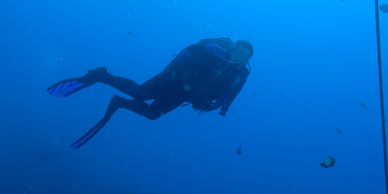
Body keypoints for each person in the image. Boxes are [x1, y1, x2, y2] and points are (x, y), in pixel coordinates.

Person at [47, 37, 253, 148]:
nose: (241, 56)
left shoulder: (239, 76)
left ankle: (119, 102)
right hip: (172, 79)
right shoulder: (215, 50)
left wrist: (213, 106)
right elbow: (189, 52)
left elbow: (227, 99)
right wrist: (171, 70)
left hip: (183, 95)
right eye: (240, 51)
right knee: (139, 93)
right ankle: (101, 76)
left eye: (246, 56)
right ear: (233, 48)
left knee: (153, 114)